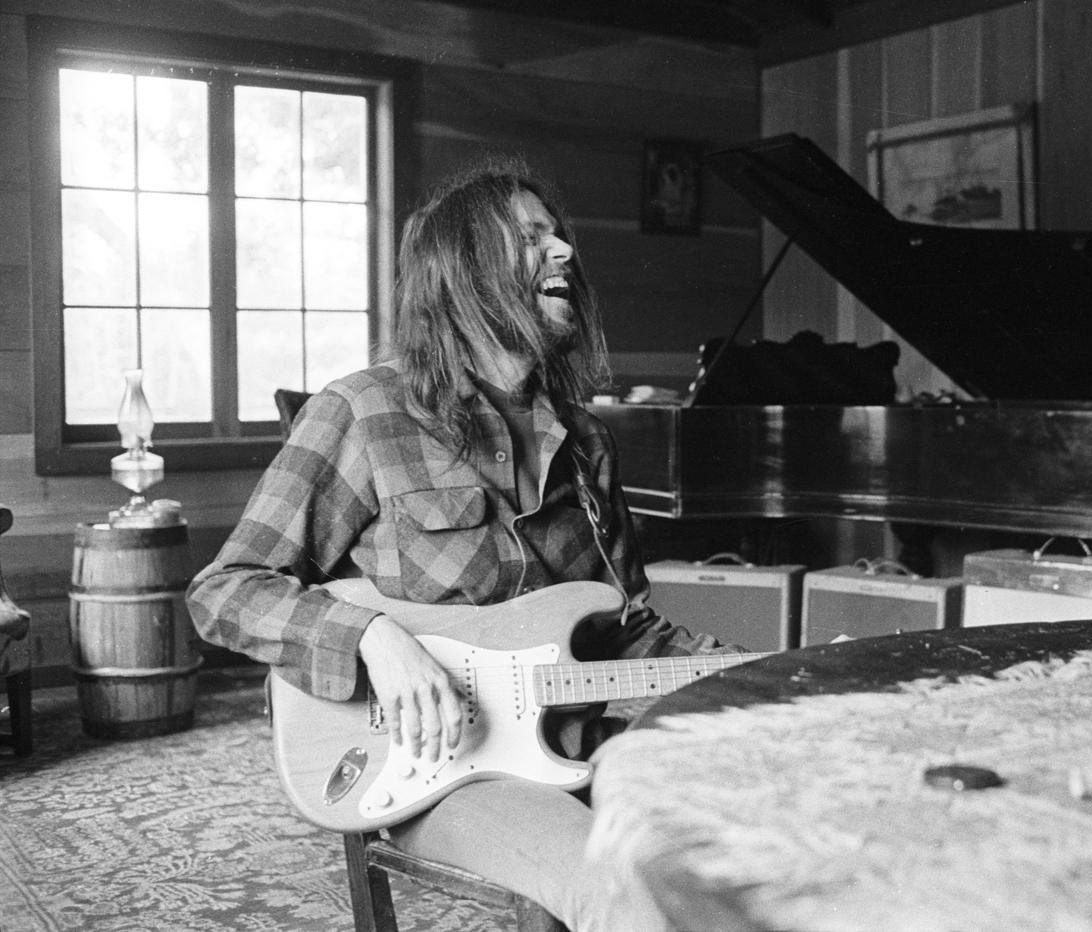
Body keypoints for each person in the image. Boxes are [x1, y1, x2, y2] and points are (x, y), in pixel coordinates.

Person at [187, 158, 734, 932]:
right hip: (445, 775)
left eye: (559, 235)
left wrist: (767, 673)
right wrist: (372, 637)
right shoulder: (364, 412)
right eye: (532, 237)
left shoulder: (586, 442)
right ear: (466, 267)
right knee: (622, 892)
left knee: (768, 839)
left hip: (584, 743)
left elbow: (630, 629)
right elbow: (225, 589)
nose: (566, 253)